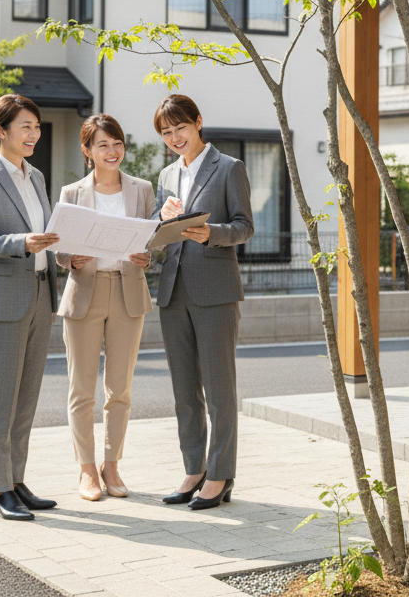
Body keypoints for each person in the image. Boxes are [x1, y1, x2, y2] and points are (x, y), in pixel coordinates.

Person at [152, 94, 253, 510]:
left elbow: (244, 227)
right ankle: (193, 468)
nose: (175, 137)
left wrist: (211, 232)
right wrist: (163, 223)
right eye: (166, 132)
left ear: (198, 122)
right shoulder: (166, 176)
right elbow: (161, 233)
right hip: (173, 289)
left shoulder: (229, 168)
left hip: (215, 290)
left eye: (180, 128)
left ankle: (220, 474)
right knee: (183, 390)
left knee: (218, 389)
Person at [0, 94, 60, 522]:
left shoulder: (36, 176)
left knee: (26, 397)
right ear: (1, 131)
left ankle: (17, 479)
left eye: (37, 127)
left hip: (41, 294)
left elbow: (47, 232)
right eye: (25, 126)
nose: (33, 134)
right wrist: (23, 243)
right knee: (1, 398)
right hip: (2, 298)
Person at [55, 114, 155, 501]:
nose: (111, 151)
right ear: (87, 152)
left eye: (116, 143)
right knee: (82, 389)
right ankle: (86, 470)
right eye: (102, 145)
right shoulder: (72, 192)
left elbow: (151, 240)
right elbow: (59, 247)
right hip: (85, 292)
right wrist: (70, 258)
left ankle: (111, 466)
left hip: (128, 292)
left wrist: (148, 256)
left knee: (120, 389)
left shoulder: (142, 190)